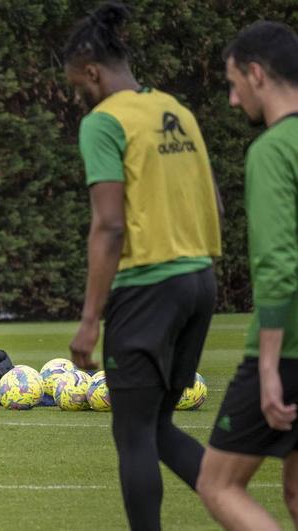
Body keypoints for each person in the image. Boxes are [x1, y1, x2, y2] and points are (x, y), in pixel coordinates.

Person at [63, 3, 222, 529]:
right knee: (157, 428)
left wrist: (90, 320)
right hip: (200, 282)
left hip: (148, 289)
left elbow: (109, 225)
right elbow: (215, 206)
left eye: (77, 85)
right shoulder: (175, 110)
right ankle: (239, 506)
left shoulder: (103, 122)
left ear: (91, 72)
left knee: (133, 435)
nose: (78, 96)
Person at [196, 22, 298, 530]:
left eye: (234, 84)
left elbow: (277, 267)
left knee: (217, 483)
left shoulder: (273, 150)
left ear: (257, 74)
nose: (233, 100)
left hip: (291, 350)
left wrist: (268, 368)